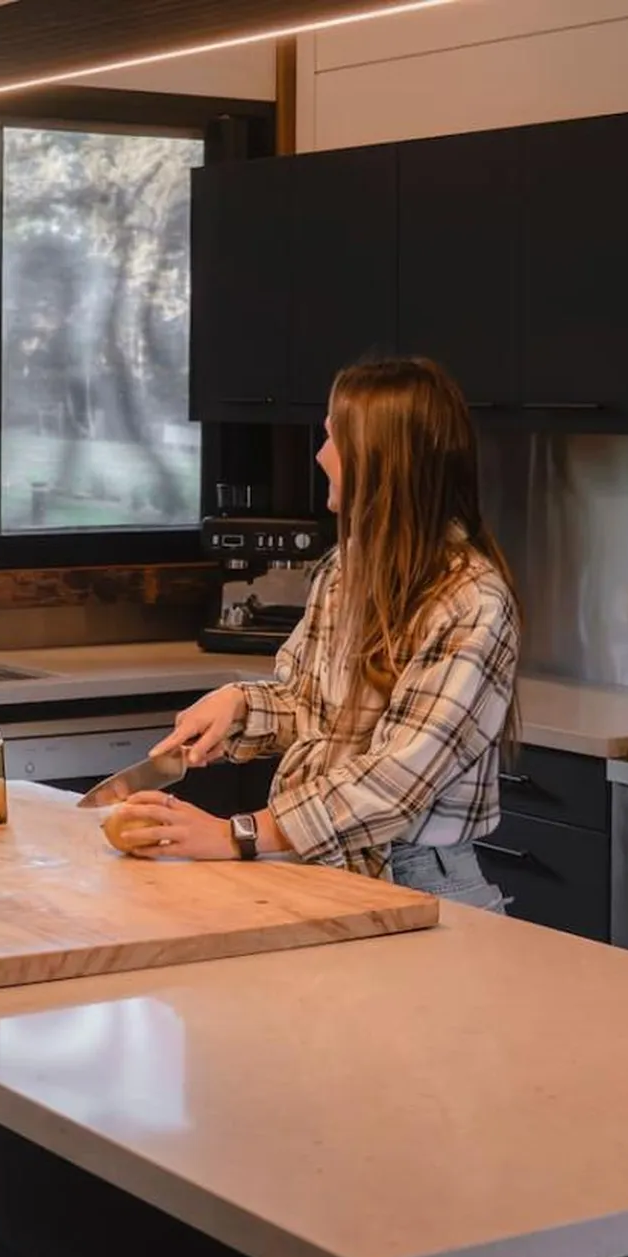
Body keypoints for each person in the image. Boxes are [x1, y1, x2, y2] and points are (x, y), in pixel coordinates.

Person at [111, 358, 522, 910]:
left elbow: (394, 783)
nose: (320, 455)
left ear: (380, 460)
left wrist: (238, 835)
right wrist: (239, 706)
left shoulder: (472, 602)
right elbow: (316, 708)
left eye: (332, 438)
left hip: (417, 884)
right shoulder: (345, 570)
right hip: (322, 868)